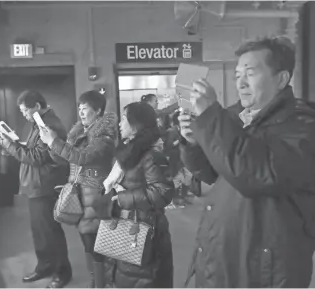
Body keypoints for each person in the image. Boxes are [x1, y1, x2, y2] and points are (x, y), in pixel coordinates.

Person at [178, 37, 315, 287]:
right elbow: (214, 172)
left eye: (250, 73)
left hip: (265, 269)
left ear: (281, 79)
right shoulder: (234, 116)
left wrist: (210, 118)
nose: (240, 82)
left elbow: (256, 175)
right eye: (237, 74)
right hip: (223, 254)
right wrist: (194, 143)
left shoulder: (303, 126)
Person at [39, 90, 118, 288]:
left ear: (98, 111)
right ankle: (96, 282)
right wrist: (51, 143)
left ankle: (100, 284)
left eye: (85, 109)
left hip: (97, 196)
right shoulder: (79, 133)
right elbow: (64, 158)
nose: (81, 113)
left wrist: (55, 143)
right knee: (88, 243)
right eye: (80, 109)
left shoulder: (105, 136)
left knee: (97, 246)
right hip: (81, 195)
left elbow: (82, 158)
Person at [0, 91, 71, 285]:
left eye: (25, 111)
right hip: (36, 186)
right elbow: (33, 150)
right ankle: (45, 267)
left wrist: (10, 146)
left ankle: (63, 272)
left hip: (44, 186)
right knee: (40, 232)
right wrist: (12, 143)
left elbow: (37, 157)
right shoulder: (38, 122)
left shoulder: (49, 125)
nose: (24, 115)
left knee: (50, 231)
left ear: (37, 106)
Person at [98, 101, 174, 288]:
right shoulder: (129, 151)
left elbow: (163, 192)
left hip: (145, 232)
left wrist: (125, 198)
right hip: (128, 226)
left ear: (137, 124)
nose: (119, 124)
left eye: (124, 119)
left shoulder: (150, 154)